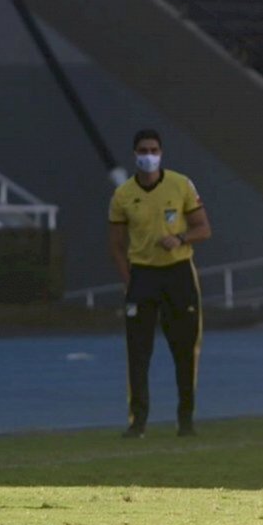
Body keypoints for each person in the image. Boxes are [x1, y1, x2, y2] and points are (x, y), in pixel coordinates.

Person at [108, 128, 211, 438]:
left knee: (185, 348)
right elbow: (115, 243)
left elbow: (203, 228)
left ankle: (185, 418)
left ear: (161, 153)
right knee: (138, 352)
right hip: (143, 275)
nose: (148, 156)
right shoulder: (123, 195)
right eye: (143, 150)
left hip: (178, 272)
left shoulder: (180, 185)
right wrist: (128, 280)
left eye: (153, 150)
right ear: (135, 154)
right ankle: (137, 421)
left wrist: (180, 238)